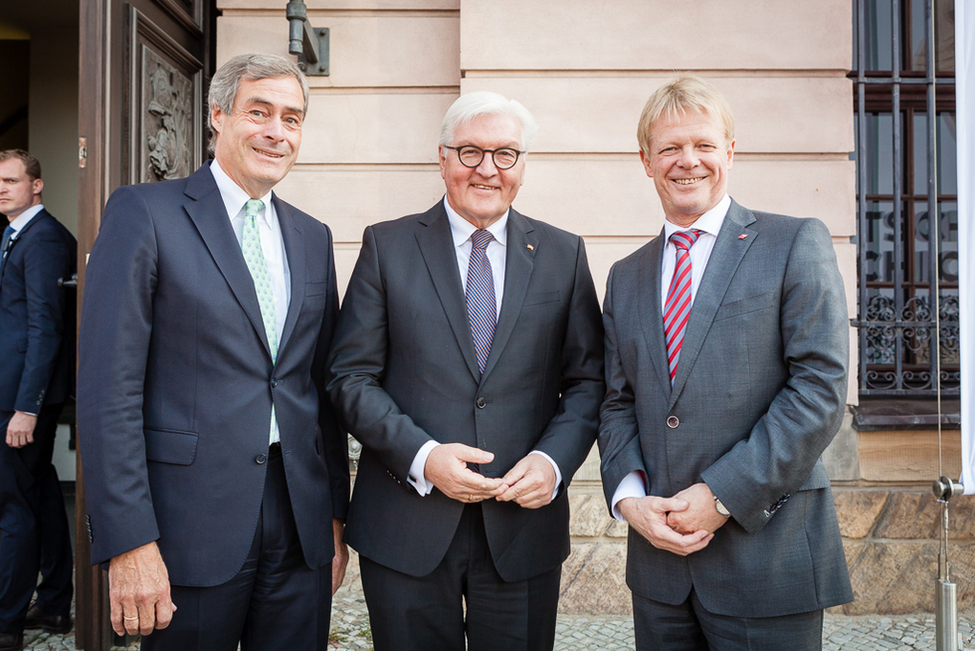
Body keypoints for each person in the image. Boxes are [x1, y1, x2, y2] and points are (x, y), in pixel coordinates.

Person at [77, 53, 349, 651]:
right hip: (186, 525)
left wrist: (332, 516)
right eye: (260, 112)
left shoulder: (312, 236)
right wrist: (128, 540)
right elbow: (106, 391)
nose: (277, 132)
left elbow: (315, 388)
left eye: (293, 119)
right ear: (217, 116)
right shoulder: (144, 212)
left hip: (298, 522)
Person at [327, 91, 604, 651]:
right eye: (470, 151)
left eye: (505, 154)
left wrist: (553, 463)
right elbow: (349, 377)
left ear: (522, 166)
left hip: (522, 525)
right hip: (407, 521)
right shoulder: (387, 245)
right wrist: (424, 456)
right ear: (443, 158)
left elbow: (588, 382)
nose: (487, 169)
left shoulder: (563, 253)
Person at [598, 76, 853, 650]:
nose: (687, 161)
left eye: (704, 145)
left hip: (767, 557)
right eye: (669, 148)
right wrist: (630, 498)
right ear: (646, 161)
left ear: (730, 152)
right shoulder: (625, 276)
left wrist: (720, 497)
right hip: (660, 568)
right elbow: (617, 402)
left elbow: (819, 389)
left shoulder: (793, 243)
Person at [0, 150, 76, 651]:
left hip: (22, 402)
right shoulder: (14, 234)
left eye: (10, 180)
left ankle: (5, 622)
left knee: (12, 506)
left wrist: (26, 407)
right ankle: (52, 604)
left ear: (37, 185)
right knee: (42, 495)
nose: (2, 188)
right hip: (15, 394)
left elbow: (44, 329)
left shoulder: (44, 238)